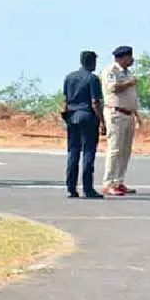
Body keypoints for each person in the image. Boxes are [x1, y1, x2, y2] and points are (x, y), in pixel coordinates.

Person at [62, 50, 106, 199]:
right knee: (88, 153)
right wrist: (102, 121)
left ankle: (71, 188)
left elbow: (65, 101)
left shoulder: (69, 77)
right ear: (92, 62)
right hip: (87, 117)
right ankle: (88, 188)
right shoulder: (92, 79)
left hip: (72, 117)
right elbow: (95, 102)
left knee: (73, 152)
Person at [101, 45, 142, 196]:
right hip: (115, 113)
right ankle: (108, 182)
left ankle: (119, 180)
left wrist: (137, 115)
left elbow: (132, 96)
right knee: (115, 149)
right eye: (129, 57)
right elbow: (113, 88)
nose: (132, 60)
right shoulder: (111, 71)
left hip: (128, 113)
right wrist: (128, 83)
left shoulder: (128, 72)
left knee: (126, 150)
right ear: (122, 57)